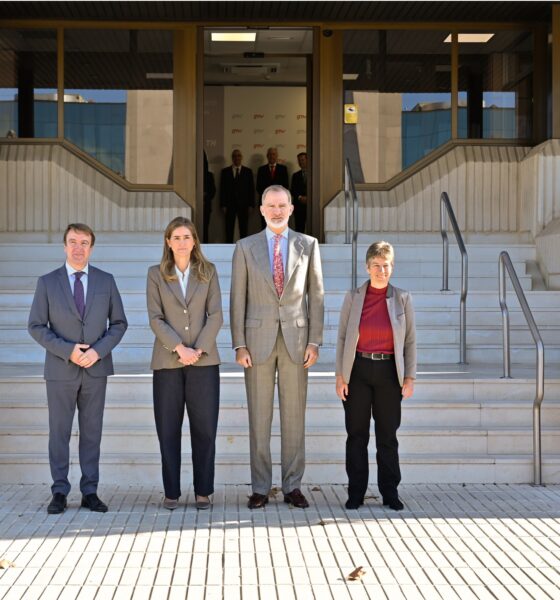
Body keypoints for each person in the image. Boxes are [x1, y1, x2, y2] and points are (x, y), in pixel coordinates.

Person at [230, 185, 324, 509]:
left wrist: (315, 340)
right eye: (271, 205)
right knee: (259, 418)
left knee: (294, 419)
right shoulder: (244, 247)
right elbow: (237, 299)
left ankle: (292, 486)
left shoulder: (308, 245)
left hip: (297, 343)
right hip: (256, 344)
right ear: (261, 209)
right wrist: (239, 344)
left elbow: (317, 296)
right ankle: (259, 487)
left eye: (282, 205)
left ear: (291, 209)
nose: (277, 210)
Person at [28, 223, 128, 514]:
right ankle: (59, 491)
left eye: (84, 242)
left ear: (91, 248)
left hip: (96, 370)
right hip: (60, 370)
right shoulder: (47, 282)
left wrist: (98, 351)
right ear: (64, 246)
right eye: (73, 241)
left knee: (91, 432)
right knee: (59, 431)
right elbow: (35, 326)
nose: (78, 247)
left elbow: (119, 323)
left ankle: (90, 491)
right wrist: (68, 351)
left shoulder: (106, 281)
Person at [147, 216, 223, 511]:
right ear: (168, 241)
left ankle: (203, 490)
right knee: (168, 428)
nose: (181, 242)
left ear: (194, 241)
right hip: (167, 362)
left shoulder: (208, 271)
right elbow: (155, 317)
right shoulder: (155, 274)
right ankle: (172, 492)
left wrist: (197, 350)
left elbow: (216, 315)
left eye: (186, 237)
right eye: (176, 237)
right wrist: (179, 348)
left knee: (205, 428)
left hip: (204, 363)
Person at [335, 241, 416, 511]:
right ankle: (356, 492)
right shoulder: (353, 297)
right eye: (376, 266)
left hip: (389, 373)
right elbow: (343, 337)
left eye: (386, 266)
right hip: (357, 370)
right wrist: (341, 376)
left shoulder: (402, 298)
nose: (382, 270)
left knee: (387, 436)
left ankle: (390, 492)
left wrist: (410, 378)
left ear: (392, 267)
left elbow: (410, 342)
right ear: (367, 267)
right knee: (356, 434)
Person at [220, 149, 255, 242]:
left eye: (239, 156)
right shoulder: (225, 172)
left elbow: (251, 189)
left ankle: (243, 250)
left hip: (244, 205)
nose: (237, 158)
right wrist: (223, 205)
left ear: (241, 158)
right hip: (229, 204)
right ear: (232, 158)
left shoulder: (248, 172)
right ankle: (228, 249)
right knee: (228, 229)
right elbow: (222, 189)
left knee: (244, 229)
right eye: (235, 156)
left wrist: (251, 205)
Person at [256, 148, 289, 229]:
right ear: (267, 156)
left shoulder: (283, 169)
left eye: (273, 154)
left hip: (279, 204)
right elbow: (258, 187)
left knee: (279, 226)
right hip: (265, 203)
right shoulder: (261, 169)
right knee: (265, 225)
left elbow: (286, 186)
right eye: (270, 154)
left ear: (277, 156)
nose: (272, 156)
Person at [290, 152, 308, 233]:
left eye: (302, 160)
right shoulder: (295, 175)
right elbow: (293, 190)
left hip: (311, 207)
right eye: (299, 160)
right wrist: (300, 197)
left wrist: (308, 198)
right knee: (299, 230)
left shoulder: (314, 174)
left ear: (308, 160)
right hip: (299, 206)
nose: (300, 162)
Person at [203, 151, 216, 243]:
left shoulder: (209, 175)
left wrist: (205, 195)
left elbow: (213, 191)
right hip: (194, 205)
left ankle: (205, 244)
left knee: (205, 227)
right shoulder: (192, 175)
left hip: (206, 205)